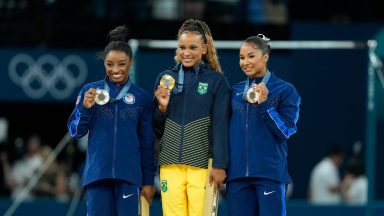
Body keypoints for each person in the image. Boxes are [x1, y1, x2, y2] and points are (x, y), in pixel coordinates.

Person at [67, 25, 156, 216]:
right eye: (109, 64)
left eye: (122, 64)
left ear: (131, 63)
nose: (115, 70)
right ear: (104, 63)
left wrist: (148, 180)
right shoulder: (89, 92)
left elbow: (147, 143)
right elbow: (76, 131)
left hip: (129, 176)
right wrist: (85, 108)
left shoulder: (142, 98)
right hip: (97, 175)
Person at [153, 19, 230, 216]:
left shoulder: (216, 81)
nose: (186, 52)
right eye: (182, 47)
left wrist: (220, 164)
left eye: (193, 47)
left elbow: (220, 126)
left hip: (203, 167)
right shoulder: (165, 78)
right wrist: (162, 108)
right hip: (169, 165)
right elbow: (156, 127)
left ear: (204, 48)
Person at [226, 34, 301, 216]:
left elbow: (287, 131)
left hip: (269, 175)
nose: (245, 62)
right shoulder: (235, 91)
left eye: (251, 56)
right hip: (237, 177)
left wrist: (266, 104)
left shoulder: (285, 90)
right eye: (242, 58)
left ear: (265, 57)